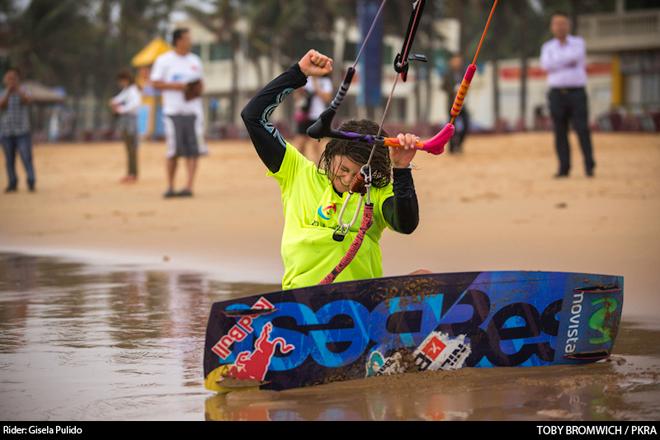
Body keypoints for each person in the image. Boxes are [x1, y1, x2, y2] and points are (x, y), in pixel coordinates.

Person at [241, 49, 424, 290]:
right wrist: (298, 73)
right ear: (331, 153)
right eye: (344, 168)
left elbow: (406, 224)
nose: (349, 179)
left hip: (362, 307)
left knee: (424, 277)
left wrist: (401, 169)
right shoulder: (297, 172)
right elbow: (252, 117)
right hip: (301, 303)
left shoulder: (375, 192)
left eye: (358, 172)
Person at [150, 28, 207, 198]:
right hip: (173, 111)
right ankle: (170, 186)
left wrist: (195, 89)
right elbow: (155, 84)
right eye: (187, 39)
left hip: (193, 111)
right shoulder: (164, 61)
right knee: (173, 150)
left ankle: (188, 186)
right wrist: (177, 86)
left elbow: (201, 84)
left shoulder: (195, 60)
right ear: (178, 41)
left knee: (193, 150)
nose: (190, 42)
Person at [540, 11, 596, 178]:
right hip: (556, 94)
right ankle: (564, 168)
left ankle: (589, 165)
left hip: (577, 93)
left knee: (582, 129)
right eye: (556, 23)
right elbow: (546, 65)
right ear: (552, 27)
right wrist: (566, 61)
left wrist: (556, 63)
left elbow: (573, 58)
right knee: (559, 131)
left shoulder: (578, 43)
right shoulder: (547, 47)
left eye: (563, 23)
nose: (560, 27)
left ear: (568, 25)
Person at [1, 68, 35, 193]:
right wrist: (8, 93)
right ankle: (12, 183)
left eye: (13, 78)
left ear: (18, 79)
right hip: (7, 131)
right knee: (9, 159)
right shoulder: (2, 93)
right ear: (5, 80)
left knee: (26, 157)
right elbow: (1, 106)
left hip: (22, 131)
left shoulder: (25, 91)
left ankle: (31, 181)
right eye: (8, 78)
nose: (11, 81)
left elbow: (27, 101)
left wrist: (17, 91)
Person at [110, 70, 142, 184]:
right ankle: (131, 173)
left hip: (130, 121)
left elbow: (135, 104)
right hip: (126, 120)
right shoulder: (127, 90)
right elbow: (118, 99)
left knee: (132, 148)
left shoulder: (133, 90)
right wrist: (114, 103)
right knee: (129, 149)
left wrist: (121, 109)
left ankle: (133, 174)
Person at [292, 75, 333, 161]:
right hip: (304, 116)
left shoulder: (325, 82)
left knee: (316, 146)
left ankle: (316, 169)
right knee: (300, 144)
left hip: (317, 117)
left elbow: (327, 99)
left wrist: (316, 85)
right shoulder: (305, 80)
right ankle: (299, 167)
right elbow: (296, 96)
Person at [442, 54, 470, 154]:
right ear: (451, 62)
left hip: (462, 103)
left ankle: (459, 144)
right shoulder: (447, 73)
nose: (457, 62)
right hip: (451, 104)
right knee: (451, 127)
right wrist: (453, 90)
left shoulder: (464, 72)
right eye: (455, 60)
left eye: (459, 60)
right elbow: (443, 86)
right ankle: (452, 147)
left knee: (466, 123)